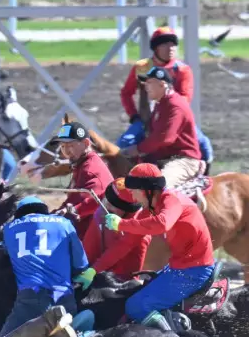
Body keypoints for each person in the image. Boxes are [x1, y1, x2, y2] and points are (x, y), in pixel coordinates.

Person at [103, 163, 215, 332]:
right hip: (179, 268)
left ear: (146, 190)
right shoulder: (151, 208)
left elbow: (163, 223)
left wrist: (122, 224)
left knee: (135, 307)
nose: (132, 197)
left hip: (194, 271)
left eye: (133, 191)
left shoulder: (172, 200)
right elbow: (126, 244)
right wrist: (94, 270)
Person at [0, 196, 95, 337]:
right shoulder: (63, 223)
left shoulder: (9, 229)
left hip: (31, 300)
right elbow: (81, 265)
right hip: (65, 299)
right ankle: (63, 326)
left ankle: (47, 322)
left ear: (19, 215)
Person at [118, 26, 214, 165]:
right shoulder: (141, 68)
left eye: (173, 44)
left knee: (204, 145)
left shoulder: (182, 69)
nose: (171, 48)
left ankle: (202, 177)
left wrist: (168, 114)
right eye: (165, 43)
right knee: (124, 143)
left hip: (173, 117)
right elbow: (126, 93)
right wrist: (134, 116)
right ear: (156, 48)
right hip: (145, 119)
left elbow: (185, 97)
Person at [121, 66, 203, 189]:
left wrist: (138, 149)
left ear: (162, 84)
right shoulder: (161, 104)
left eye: (149, 83)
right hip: (165, 159)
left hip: (183, 161)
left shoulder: (175, 105)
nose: (146, 87)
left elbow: (165, 138)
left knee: (160, 186)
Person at [53, 121, 113, 237]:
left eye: (70, 145)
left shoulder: (90, 169)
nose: (66, 151)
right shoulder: (82, 165)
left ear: (86, 143)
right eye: (63, 146)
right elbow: (73, 201)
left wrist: (73, 210)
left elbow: (99, 200)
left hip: (95, 237)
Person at [83, 178, 149, 281]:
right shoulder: (104, 208)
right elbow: (98, 199)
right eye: (107, 198)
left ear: (128, 211)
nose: (105, 203)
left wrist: (95, 272)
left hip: (115, 279)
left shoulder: (139, 231)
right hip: (96, 267)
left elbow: (127, 274)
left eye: (112, 204)